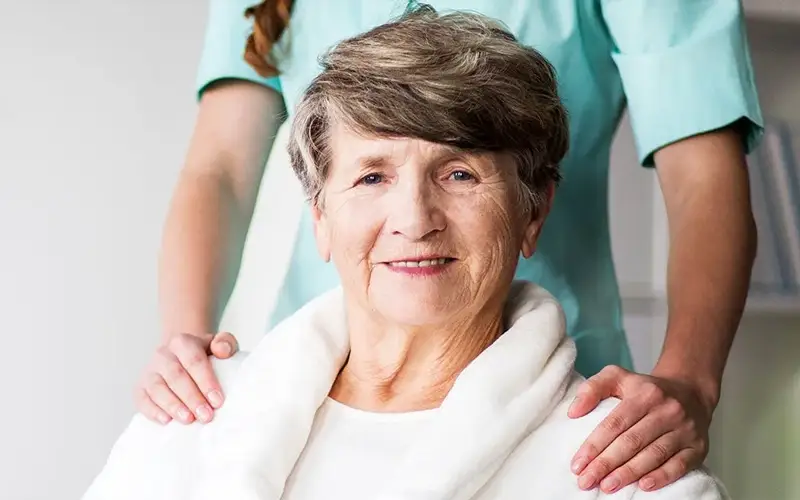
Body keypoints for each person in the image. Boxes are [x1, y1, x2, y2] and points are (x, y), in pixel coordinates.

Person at [85, 10, 730, 499]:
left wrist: (691, 381)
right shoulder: (193, 440)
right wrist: (187, 357)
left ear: (534, 208)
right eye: (370, 177)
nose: (413, 220)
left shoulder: (619, 476)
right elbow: (220, 170)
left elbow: (705, 182)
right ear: (320, 213)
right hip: (325, 362)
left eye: (460, 174)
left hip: (561, 389)